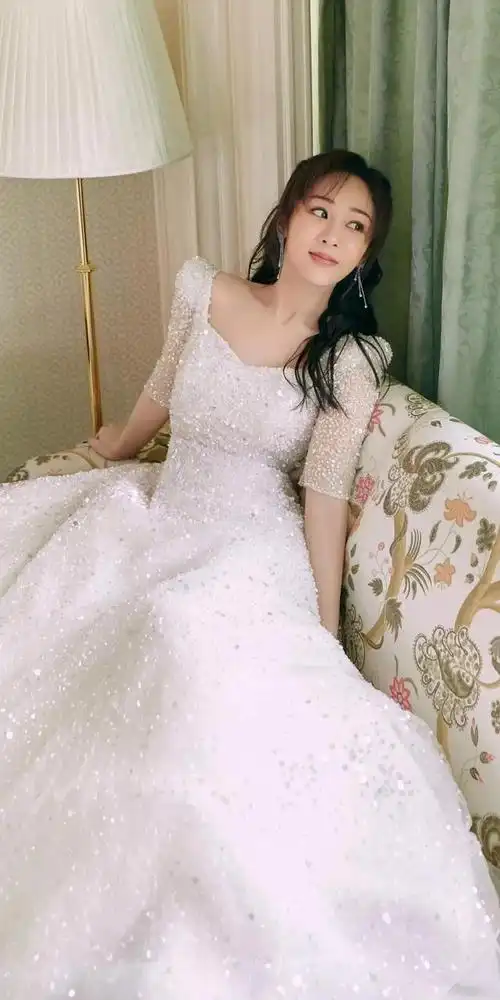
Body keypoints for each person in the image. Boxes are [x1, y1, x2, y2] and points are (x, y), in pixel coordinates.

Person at [0, 150, 498, 999]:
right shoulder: (206, 291)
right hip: (158, 512)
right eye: (320, 211)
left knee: (183, 638)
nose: (331, 234)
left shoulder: (350, 359)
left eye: (355, 227)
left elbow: (325, 497)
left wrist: (324, 629)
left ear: (364, 255)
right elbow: (159, 392)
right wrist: (107, 450)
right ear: (286, 216)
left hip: (249, 543)